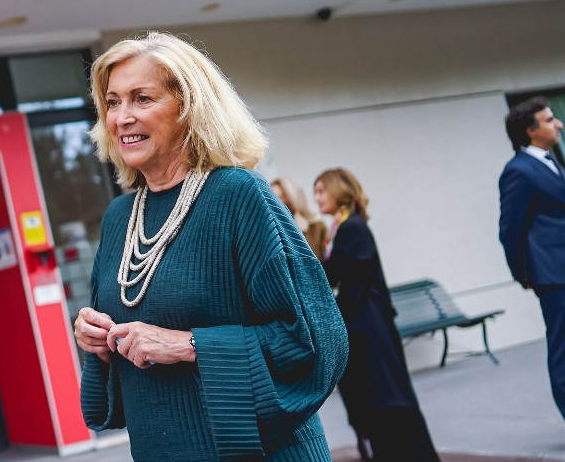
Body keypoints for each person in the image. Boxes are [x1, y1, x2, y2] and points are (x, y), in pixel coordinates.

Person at [72, 31, 348, 461]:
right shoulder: (118, 219)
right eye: (113, 101)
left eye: (142, 98)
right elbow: (118, 388)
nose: (122, 116)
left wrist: (186, 345)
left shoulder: (239, 194)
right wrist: (98, 344)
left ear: (188, 107)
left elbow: (313, 339)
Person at [314, 168, 438, 461]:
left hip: (369, 330)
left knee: (386, 397)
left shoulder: (352, 227)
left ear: (338, 191)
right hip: (365, 325)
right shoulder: (340, 227)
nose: (317, 197)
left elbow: (353, 277)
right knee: (378, 398)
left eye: (321, 190)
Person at [497, 97, 565, 421]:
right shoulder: (518, 172)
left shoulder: (551, 161)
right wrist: (524, 275)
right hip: (554, 276)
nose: (558, 125)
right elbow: (510, 230)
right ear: (530, 130)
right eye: (550, 120)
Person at [272, 177, 329, 262]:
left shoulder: (317, 228)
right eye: (272, 197)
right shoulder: (270, 231)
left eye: (280, 197)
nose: (274, 202)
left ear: (293, 198)